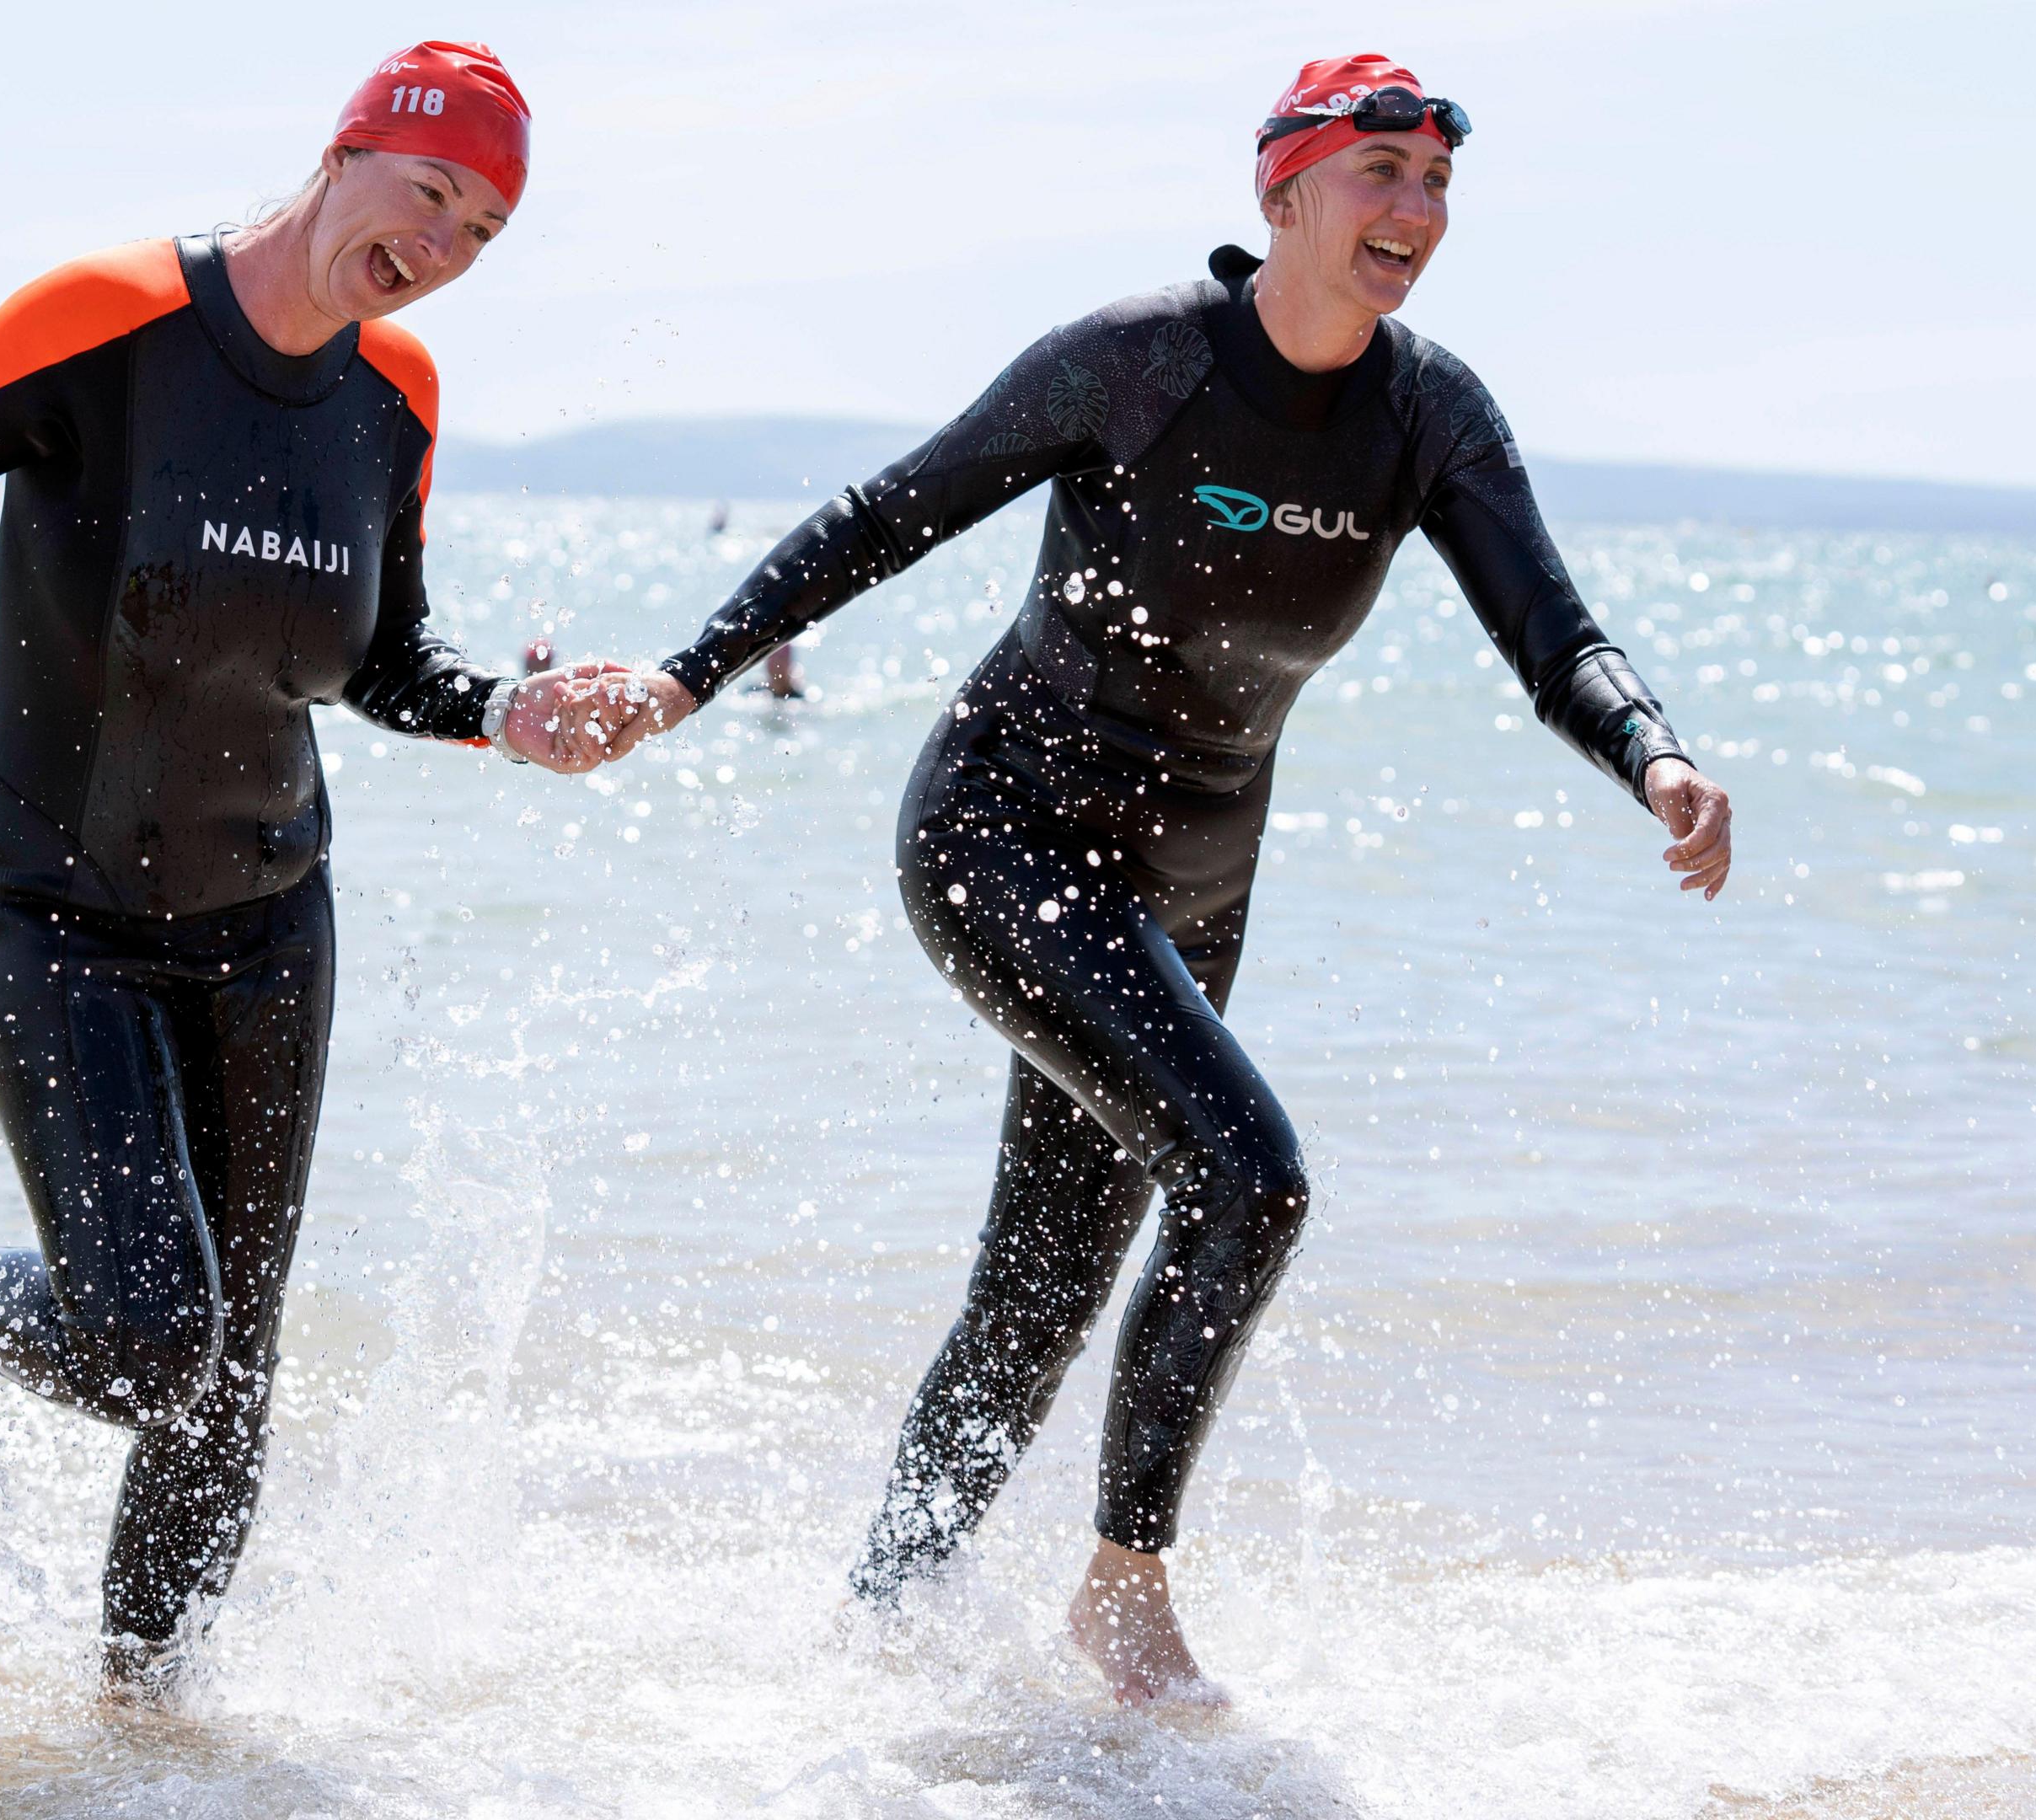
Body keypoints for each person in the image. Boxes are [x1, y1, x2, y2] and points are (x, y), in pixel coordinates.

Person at [618, 54, 1735, 1703]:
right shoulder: (1136, 364)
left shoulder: (1430, 413)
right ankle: (1123, 1594)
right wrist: (685, 674)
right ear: (1283, 192)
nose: (1415, 212)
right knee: (1252, 1178)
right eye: (1381, 173)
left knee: (1038, 1298)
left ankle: (873, 1640)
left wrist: (1654, 752)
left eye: (1436, 183)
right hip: (1004, 834)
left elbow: (1549, 629)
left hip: (1192, 892)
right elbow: (888, 513)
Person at [0, 41, 634, 1692]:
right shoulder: (111, 314)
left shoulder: (395, 393)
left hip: (270, 912)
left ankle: (144, 1727)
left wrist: (509, 714)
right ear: (347, 153)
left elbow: (385, 656)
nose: (443, 246)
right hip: (49, 898)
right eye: (431, 192)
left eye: (484, 230)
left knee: (231, 1371)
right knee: (147, 1338)